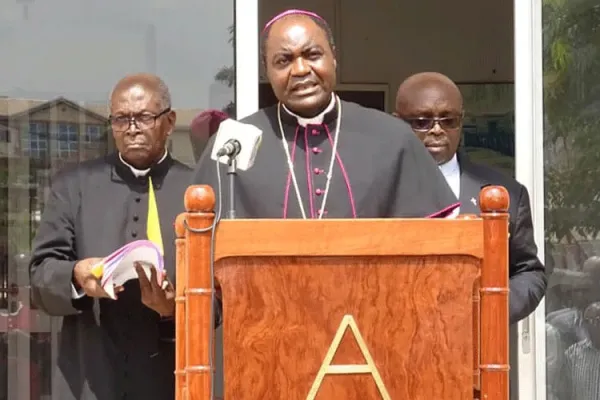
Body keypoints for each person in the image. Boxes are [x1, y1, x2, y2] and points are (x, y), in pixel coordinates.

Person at [192, 10, 458, 219]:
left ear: (334, 59)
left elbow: (431, 244)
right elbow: (199, 240)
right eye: (283, 60)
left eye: (312, 55)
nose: (300, 70)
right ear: (266, 71)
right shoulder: (232, 142)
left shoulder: (392, 137)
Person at [29, 73, 192, 400]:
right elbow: (41, 276)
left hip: (170, 380)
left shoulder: (196, 191)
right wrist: (77, 277)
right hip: (91, 375)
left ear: (169, 121)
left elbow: (219, 295)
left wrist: (174, 306)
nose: (132, 128)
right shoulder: (74, 186)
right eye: (121, 119)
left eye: (144, 117)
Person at [394, 71, 547, 324]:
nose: (436, 130)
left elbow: (529, 272)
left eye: (449, 120)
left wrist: (492, 307)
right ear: (397, 122)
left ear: (461, 121)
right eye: (422, 121)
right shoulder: (377, 186)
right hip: (394, 338)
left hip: (475, 348)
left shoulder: (505, 193)